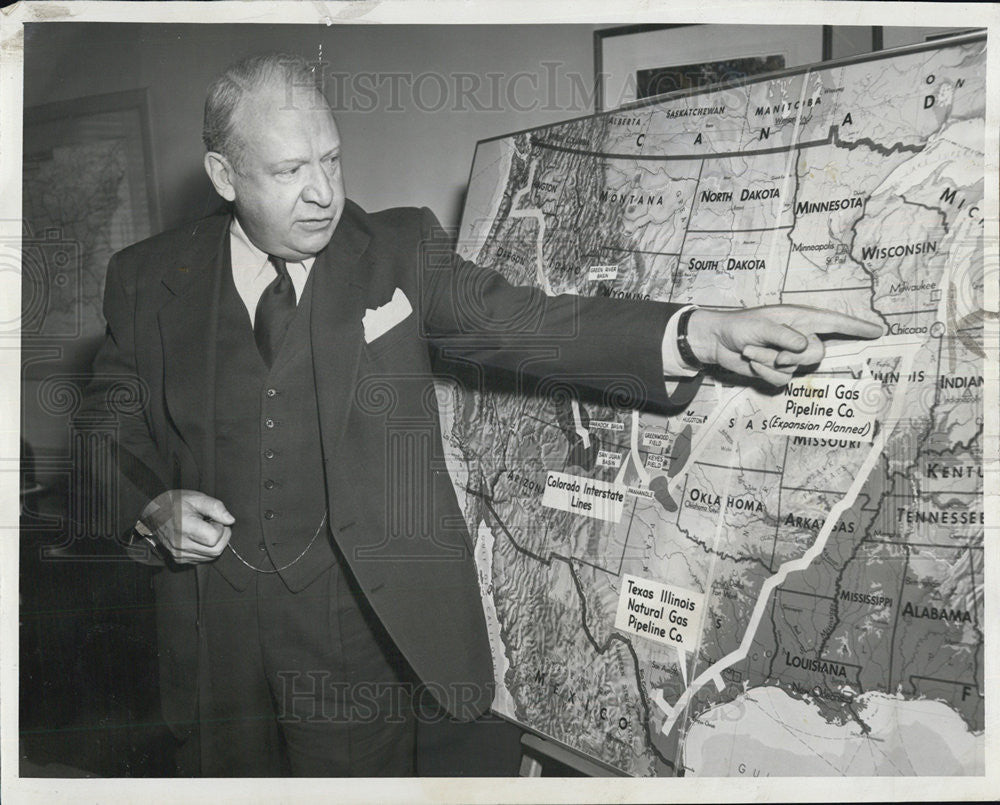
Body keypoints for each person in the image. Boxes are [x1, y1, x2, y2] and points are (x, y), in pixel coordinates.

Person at [78, 52, 883, 777]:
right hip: (208, 642)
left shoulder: (395, 249)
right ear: (223, 176)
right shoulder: (146, 280)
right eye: (290, 171)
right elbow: (105, 432)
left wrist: (697, 330)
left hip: (356, 640)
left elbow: (532, 323)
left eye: (331, 159)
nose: (324, 193)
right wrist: (152, 508)